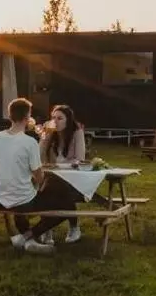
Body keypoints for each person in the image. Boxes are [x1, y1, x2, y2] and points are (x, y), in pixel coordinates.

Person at [0, 98, 73, 255]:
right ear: (27, 117)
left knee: (22, 191)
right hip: (21, 201)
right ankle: (26, 237)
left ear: (10, 116)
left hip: (0, 199)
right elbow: (39, 176)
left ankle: (29, 242)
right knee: (64, 205)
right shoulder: (29, 142)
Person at [38, 104, 107, 244]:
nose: (55, 121)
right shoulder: (50, 133)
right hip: (52, 177)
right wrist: (44, 136)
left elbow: (79, 159)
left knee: (56, 190)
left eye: (59, 118)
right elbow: (38, 156)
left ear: (68, 120)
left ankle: (69, 228)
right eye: (53, 118)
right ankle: (49, 229)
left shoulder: (77, 132)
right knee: (48, 189)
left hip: (73, 179)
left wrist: (59, 166)